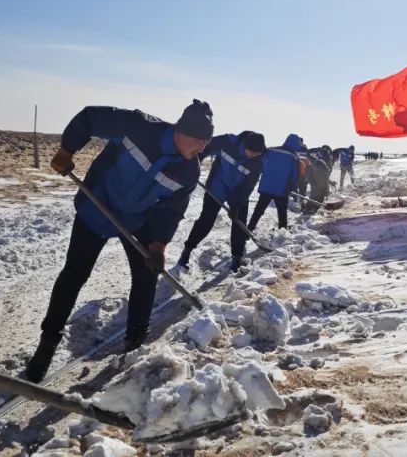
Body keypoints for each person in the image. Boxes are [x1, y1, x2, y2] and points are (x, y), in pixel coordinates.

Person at [26, 100, 213, 382]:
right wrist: (67, 150)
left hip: (137, 220)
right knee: (75, 274)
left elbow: (172, 210)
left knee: (147, 275)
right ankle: (47, 344)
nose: (202, 148)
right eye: (199, 140)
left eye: (206, 142)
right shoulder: (139, 126)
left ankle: (134, 344)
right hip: (96, 206)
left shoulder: (189, 171)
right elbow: (89, 118)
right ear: (182, 131)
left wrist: (159, 244)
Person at [177, 130, 265, 272]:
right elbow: (203, 147)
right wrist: (193, 163)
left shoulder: (258, 161)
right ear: (244, 145)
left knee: (239, 222)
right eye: (251, 152)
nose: (253, 156)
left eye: (257, 154)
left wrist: (236, 204)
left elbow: (247, 186)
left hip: (238, 191)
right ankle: (187, 250)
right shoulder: (228, 142)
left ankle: (237, 257)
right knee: (206, 220)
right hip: (216, 187)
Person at [248, 134, 303, 233]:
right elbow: (295, 176)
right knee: (282, 213)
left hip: (266, 187)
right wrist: (291, 188)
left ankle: (249, 229)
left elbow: (261, 163)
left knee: (258, 210)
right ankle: (282, 234)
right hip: (281, 190)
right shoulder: (293, 157)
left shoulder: (271, 151)